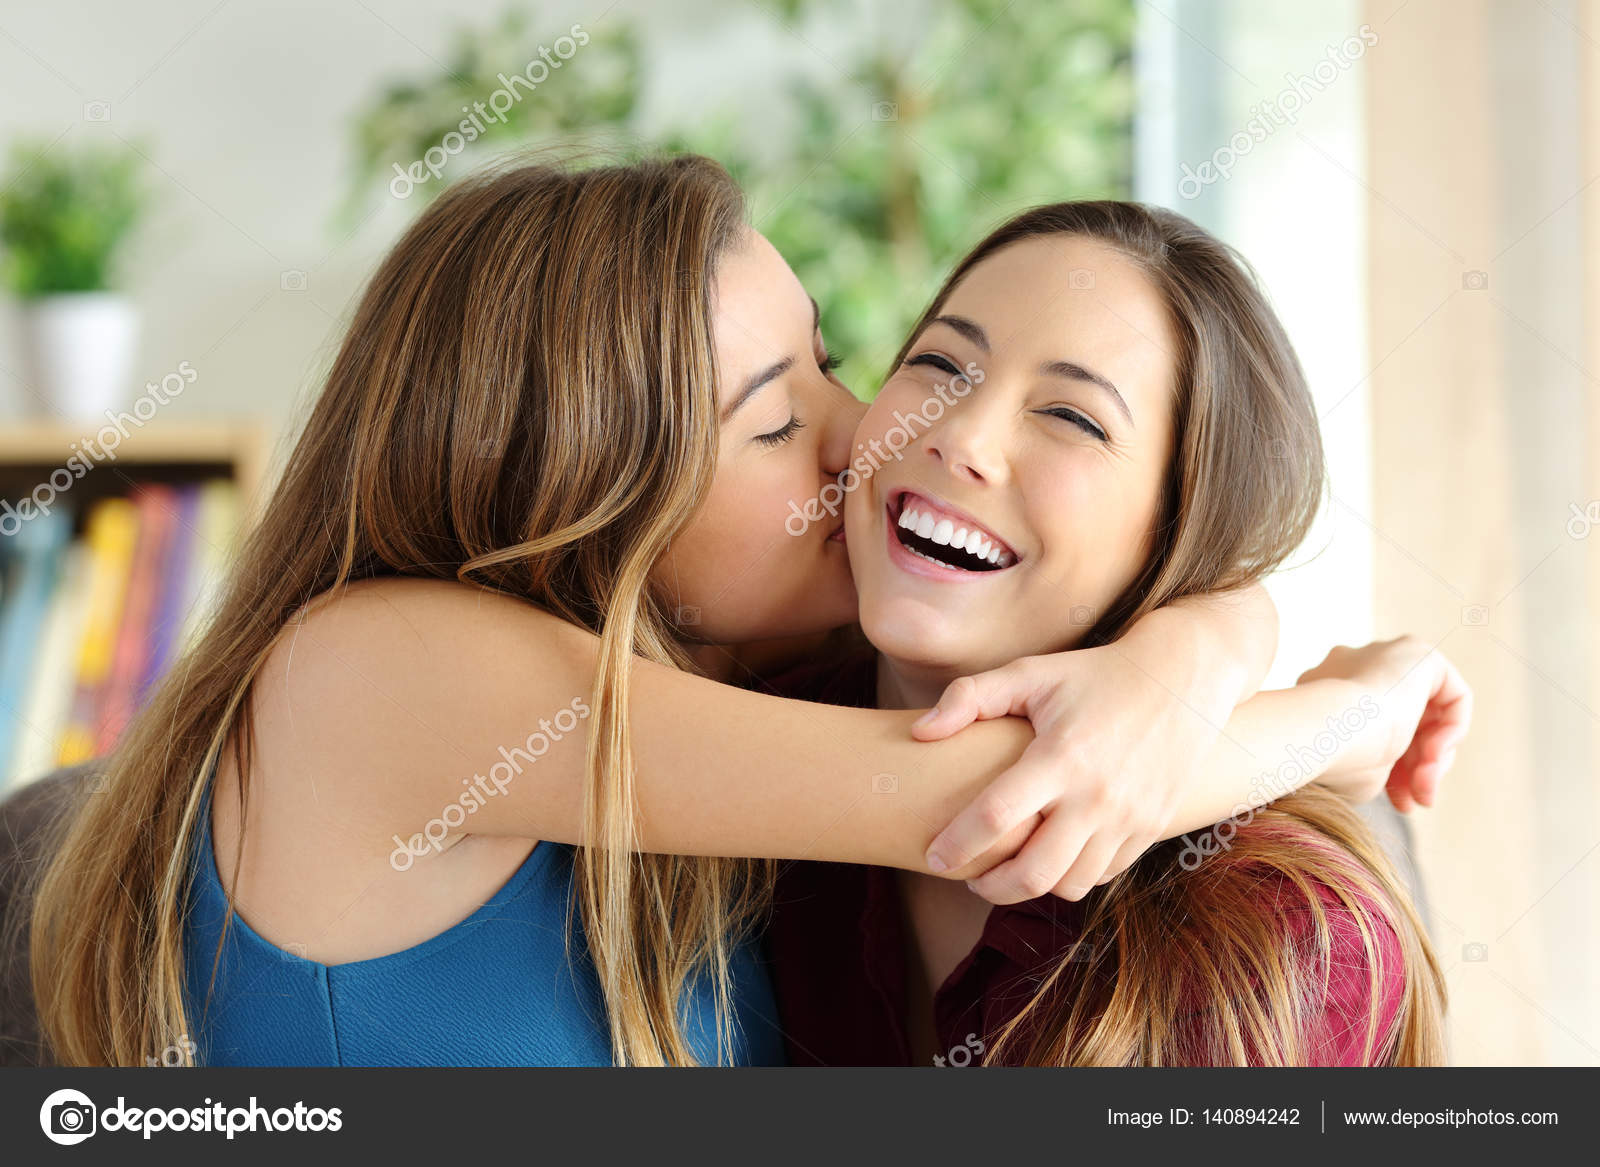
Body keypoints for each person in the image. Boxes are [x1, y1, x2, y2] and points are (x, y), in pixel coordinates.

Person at [28, 159, 1460, 1067]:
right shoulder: (384, 674)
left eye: (839, 357)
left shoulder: (749, 734)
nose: (867, 434)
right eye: (779, 420)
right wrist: (1356, 702)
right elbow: (1026, 787)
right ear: (584, 495)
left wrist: (1212, 629)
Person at [766, 200, 1468, 1066]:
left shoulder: (1280, 940)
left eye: (1073, 417)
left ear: (1179, 530)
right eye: (943, 363)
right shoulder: (747, 707)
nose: (961, 436)